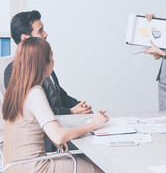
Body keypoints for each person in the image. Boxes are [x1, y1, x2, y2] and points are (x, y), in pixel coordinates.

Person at [2, 37, 109, 172]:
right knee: (102, 169)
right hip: (36, 167)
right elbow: (58, 135)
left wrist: (49, 136)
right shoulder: (35, 92)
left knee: (87, 161)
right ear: (43, 63)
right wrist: (94, 124)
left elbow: (27, 130)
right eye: (51, 56)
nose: (53, 61)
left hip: (14, 167)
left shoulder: (16, 90)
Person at [4, 10, 92, 115]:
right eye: (40, 31)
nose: (46, 34)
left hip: (63, 121)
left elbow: (61, 95)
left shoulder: (44, 63)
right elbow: (34, 112)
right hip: (48, 127)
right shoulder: (13, 71)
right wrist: (70, 111)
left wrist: (82, 107)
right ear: (25, 39)